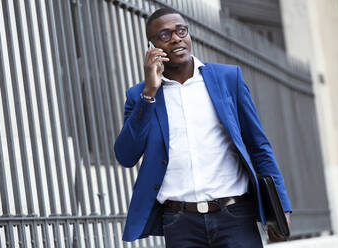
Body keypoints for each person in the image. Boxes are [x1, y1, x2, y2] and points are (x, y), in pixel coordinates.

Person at [114, 7, 291, 248]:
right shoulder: (140, 96)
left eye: (181, 31)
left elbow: (258, 146)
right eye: (165, 35)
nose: (176, 38)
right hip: (180, 222)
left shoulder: (229, 79)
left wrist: (281, 209)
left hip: (235, 216)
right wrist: (149, 93)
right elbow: (126, 155)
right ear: (151, 46)